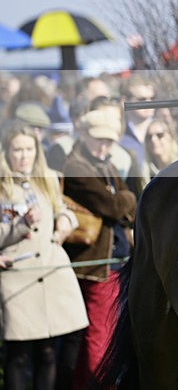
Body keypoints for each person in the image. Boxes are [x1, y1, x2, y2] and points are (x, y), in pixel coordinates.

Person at [0, 123, 88, 390]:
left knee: (49, 352)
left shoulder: (48, 178)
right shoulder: (3, 187)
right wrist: (22, 225)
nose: (24, 156)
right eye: (18, 150)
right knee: (19, 355)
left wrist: (65, 221)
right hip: (17, 279)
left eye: (29, 149)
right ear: (7, 152)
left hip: (52, 274)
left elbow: (63, 210)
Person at [62, 110, 137, 388]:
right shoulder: (76, 166)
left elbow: (128, 203)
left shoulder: (105, 165)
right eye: (98, 139)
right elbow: (116, 205)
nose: (104, 146)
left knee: (105, 332)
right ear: (83, 135)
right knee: (99, 335)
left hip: (115, 260)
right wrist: (122, 200)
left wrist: (122, 200)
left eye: (108, 141)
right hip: (96, 265)